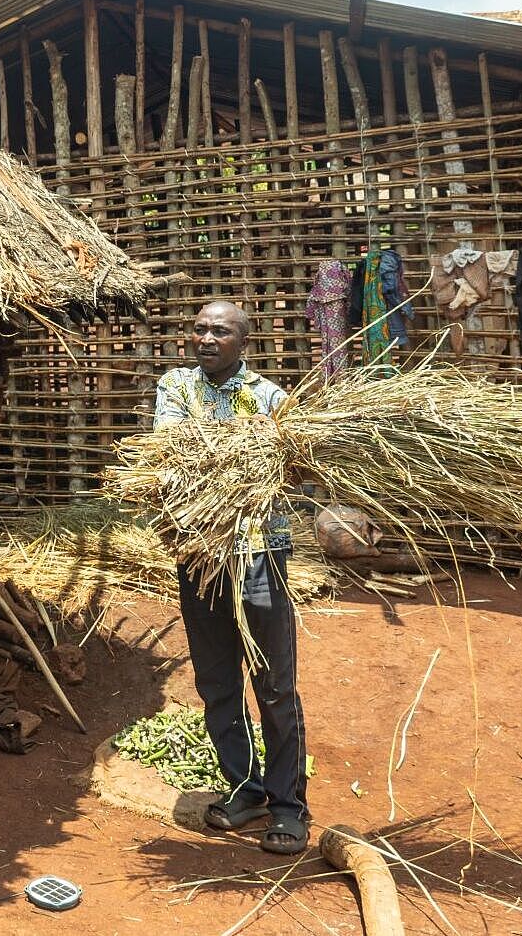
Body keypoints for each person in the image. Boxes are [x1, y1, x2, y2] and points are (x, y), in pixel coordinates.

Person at [153, 300, 309, 854]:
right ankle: (246, 787)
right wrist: (246, 455)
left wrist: (230, 460)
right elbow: (173, 452)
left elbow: (289, 469)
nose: (206, 338)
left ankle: (289, 805)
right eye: (199, 329)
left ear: (245, 341)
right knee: (217, 682)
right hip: (200, 555)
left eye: (220, 330)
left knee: (273, 684)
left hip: (260, 553)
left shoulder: (272, 399)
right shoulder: (175, 387)